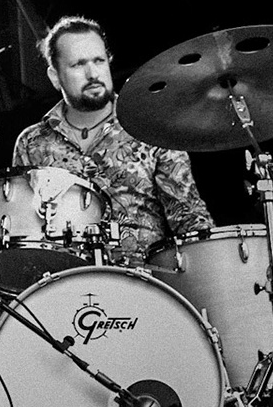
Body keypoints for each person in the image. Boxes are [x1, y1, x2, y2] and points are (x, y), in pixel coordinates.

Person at [12, 14, 211, 264]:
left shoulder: (150, 126)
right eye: (78, 65)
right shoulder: (32, 142)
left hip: (146, 285)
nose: (93, 73)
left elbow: (188, 217)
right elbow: (23, 230)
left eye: (99, 60)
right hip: (64, 287)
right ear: (55, 76)